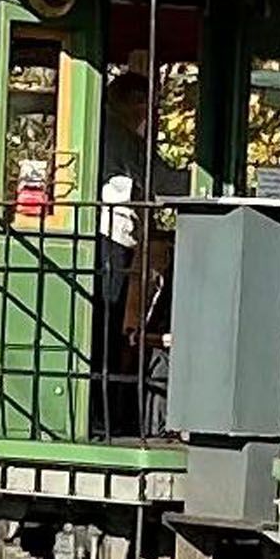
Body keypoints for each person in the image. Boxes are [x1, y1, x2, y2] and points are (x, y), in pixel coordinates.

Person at [96, 72, 189, 435]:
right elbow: (160, 181)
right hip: (111, 239)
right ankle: (105, 412)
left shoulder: (108, 130)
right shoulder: (121, 135)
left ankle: (105, 411)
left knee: (106, 323)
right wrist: (202, 181)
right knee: (107, 323)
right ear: (133, 104)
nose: (150, 114)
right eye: (146, 105)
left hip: (108, 237)